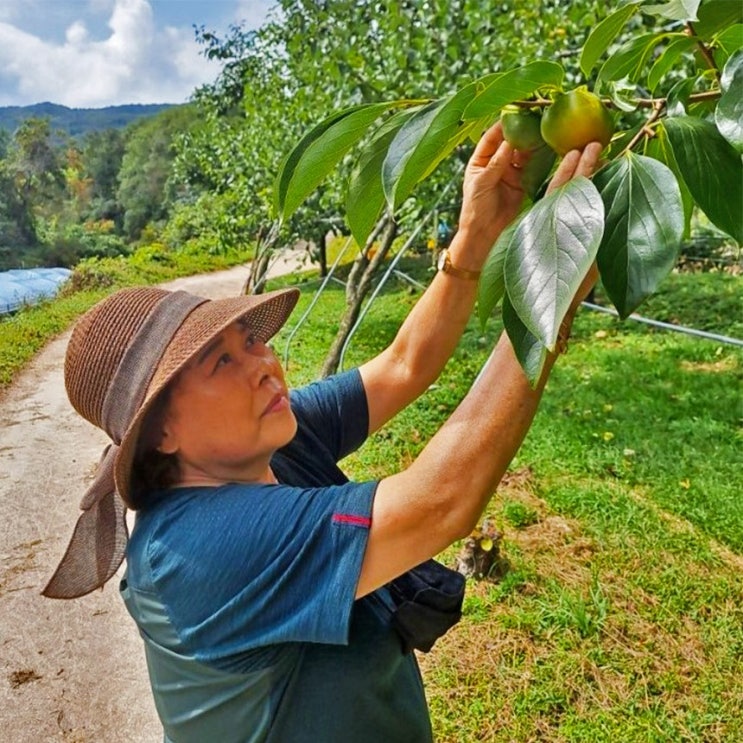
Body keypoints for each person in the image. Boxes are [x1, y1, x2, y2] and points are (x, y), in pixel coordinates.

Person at [43, 123, 603, 742]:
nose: (263, 364)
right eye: (221, 362)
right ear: (162, 433)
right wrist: (549, 295)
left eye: (251, 340)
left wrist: (471, 243)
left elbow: (402, 366)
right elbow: (443, 499)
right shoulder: (195, 549)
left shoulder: (272, 443)